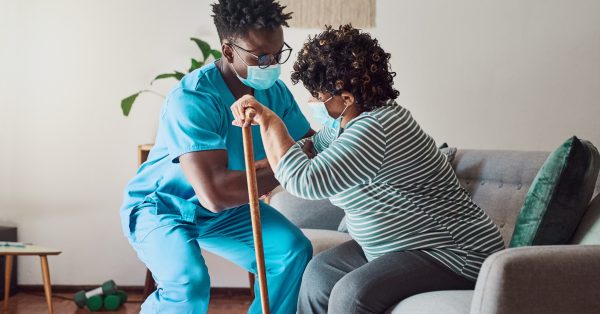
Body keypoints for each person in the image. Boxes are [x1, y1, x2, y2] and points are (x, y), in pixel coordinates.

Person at [231, 24, 505, 314]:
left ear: (347, 98)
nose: (313, 102)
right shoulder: (347, 123)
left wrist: (270, 122)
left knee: (353, 295)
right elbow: (311, 146)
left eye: (318, 96)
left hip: (453, 252)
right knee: (318, 275)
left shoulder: (377, 128)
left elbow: (304, 181)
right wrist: (275, 156)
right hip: (396, 246)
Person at [119, 1, 314, 313]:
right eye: (261, 56)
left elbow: (310, 146)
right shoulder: (194, 97)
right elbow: (215, 193)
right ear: (228, 51)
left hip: (227, 211)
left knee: (292, 251)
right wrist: (284, 163)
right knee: (188, 284)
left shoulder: (275, 93)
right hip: (164, 207)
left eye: (278, 55)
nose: (272, 64)